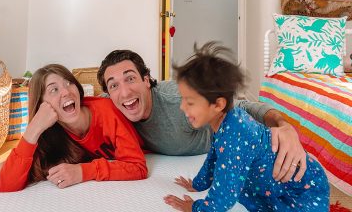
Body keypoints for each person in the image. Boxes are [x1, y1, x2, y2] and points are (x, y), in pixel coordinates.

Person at [97, 49, 307, 184]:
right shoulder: (112, 108)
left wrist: (283, 126)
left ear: (146, 80)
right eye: (114, 85)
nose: (124, 93)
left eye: (130, 79)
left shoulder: (180, 99)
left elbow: (243, 107)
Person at [163, 42, 329, 212]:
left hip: (304, 192)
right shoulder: (226, 121)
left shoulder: (235, 136)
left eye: (190, 102)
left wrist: (194, 207)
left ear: (218, 104)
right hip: (276, 185)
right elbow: (215, 155)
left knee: (237, 185)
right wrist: (199, 184)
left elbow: (223, 197)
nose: (182, 107)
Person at [0, 64, 147, 192]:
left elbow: (138, 167)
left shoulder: (107, 111)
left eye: (69, 83)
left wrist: (83, 171)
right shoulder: (49, 132)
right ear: (42, 105)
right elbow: (6, 186)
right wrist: (33, 129)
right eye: (54, 90)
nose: (66, 92)